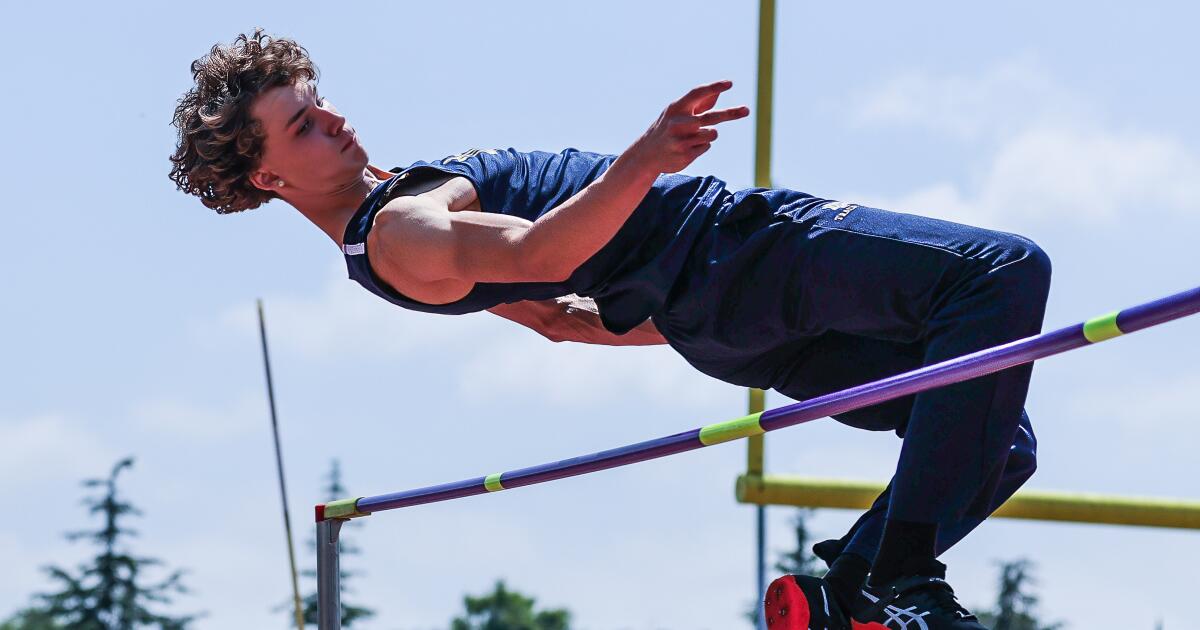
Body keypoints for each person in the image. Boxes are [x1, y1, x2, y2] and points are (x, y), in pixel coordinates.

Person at [170, 30, 1051, 630]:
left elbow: (559, 320)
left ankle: (850, 594)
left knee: (996, 438)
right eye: (303, 128)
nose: (335, 120)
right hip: (732, 255)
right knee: (1002, 275)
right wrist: (650, 155)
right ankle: (896, 578)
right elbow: (545, 248)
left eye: (320, 103)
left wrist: (695, 314)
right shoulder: (405, 231)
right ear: (270, 180)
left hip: (718, 314)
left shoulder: (386, 244)